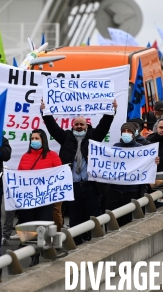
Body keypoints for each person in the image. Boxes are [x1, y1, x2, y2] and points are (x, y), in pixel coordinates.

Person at [41, 99, 117, 245]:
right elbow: (52, 127)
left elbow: (104, 125)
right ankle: (75, 244)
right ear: (72, 126)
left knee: (94, 216)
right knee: (75, 218)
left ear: (87, 125)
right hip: (73, 186)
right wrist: (45, 112)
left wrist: (110, 111)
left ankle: (96, 243)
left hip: (91, 186)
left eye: (82, 124)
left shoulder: (94, 136)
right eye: (77, 124)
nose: (79, 126)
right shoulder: (65, 138)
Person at [17, 129, 62, 265]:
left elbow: (60, 174)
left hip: (45, 198)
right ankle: (33, 254)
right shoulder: (25, 156)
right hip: (29, 199)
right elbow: (19, 175)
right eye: (33, 138)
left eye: (37, 138)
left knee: (43, 224)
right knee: (29, 225)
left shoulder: (52, 156)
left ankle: (45, 250)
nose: (34, 141)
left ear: (43, 140)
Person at [108, 122, 145, 226]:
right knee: (113, 221)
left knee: (127, 222)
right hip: (115, 191)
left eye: (129, 131)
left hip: (132, 191)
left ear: (133, 134)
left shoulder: (140, 148)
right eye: (124, 131)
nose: (126, 133)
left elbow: (146, 165)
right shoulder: (115, 147)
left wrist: (154, 161)